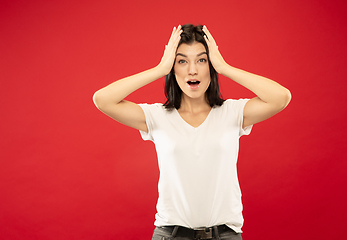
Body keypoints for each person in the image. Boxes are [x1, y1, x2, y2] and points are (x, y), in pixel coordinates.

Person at [93, 24, 291, 240]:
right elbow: (103, 100)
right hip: (171, 234)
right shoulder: (157, 116)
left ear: (210, 65)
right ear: (173, 68)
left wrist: (224, 67)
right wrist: (160, 69)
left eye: (201, 60)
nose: (192, 70)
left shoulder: (232, 112)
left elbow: (280, 97)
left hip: (225, 234)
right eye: (182, 61)